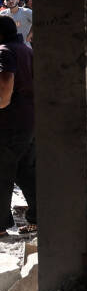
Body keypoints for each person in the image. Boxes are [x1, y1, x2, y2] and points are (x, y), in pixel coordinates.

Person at [0, 16, 36, 234]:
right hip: (29, 120)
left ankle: (1, 226)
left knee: (2, 172)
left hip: (9, 122)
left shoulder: (4, 51)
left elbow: (5, 89)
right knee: (26, 171)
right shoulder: (26, 50)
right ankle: (38, 218)